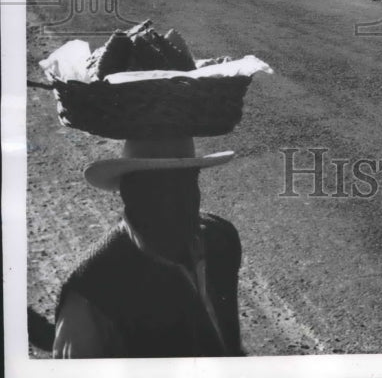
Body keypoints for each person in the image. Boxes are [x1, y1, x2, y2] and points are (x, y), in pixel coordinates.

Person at [53, 136, 243, 358]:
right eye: (160, 188)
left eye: (188, 182)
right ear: (129, 193)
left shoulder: (220, 238)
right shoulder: (91, 292)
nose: (180, 200)